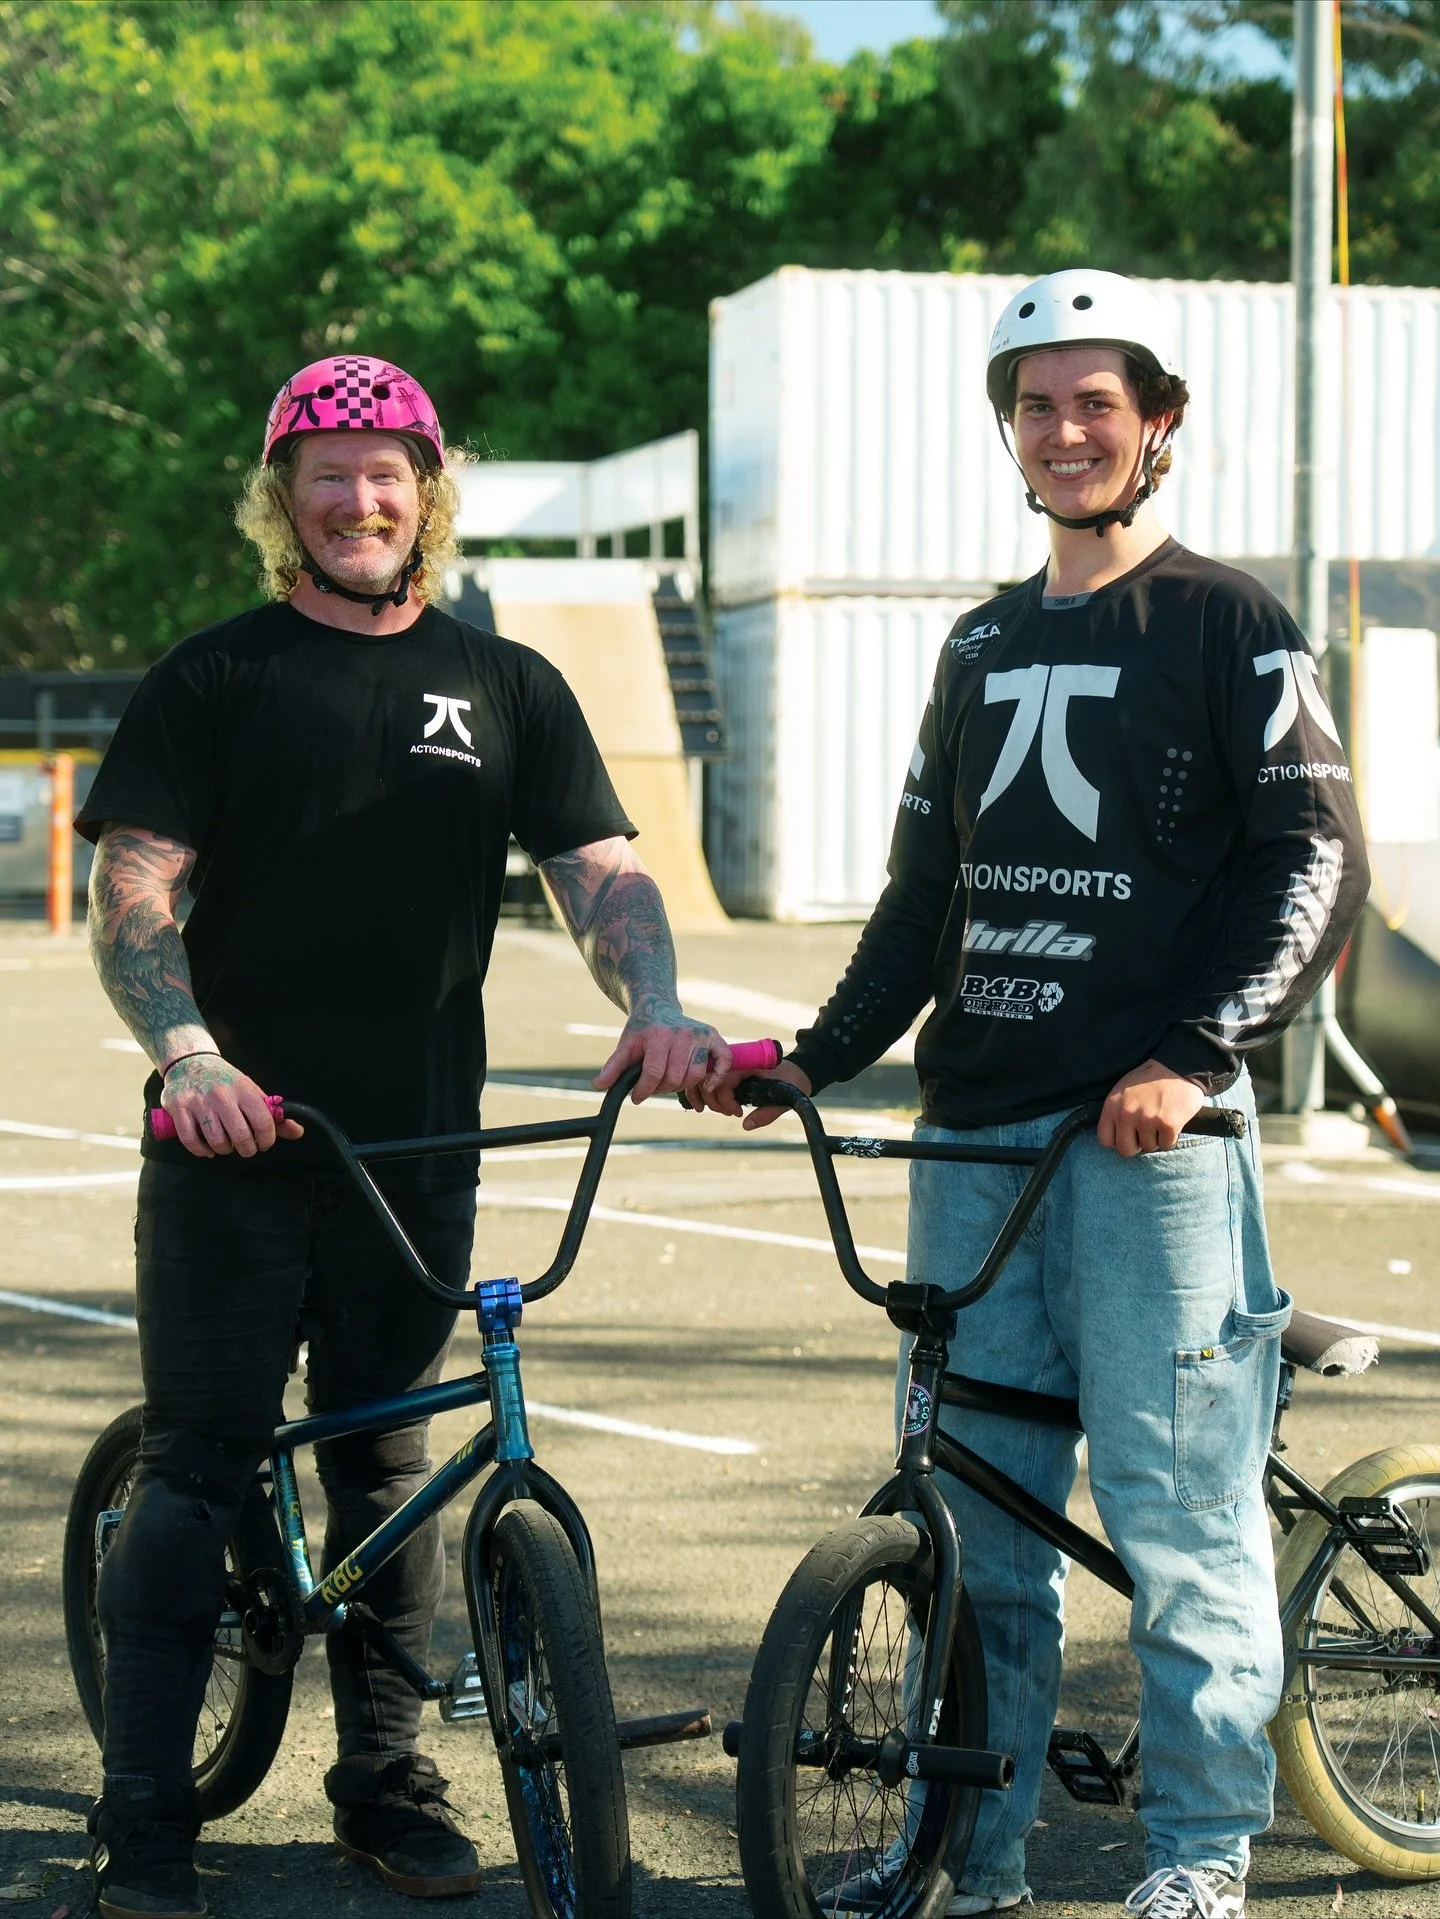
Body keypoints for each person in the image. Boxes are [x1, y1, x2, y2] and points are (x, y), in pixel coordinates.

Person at [699, 271, 1368, 1919]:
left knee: (1178, 1516)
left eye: (1094, 402)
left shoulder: (1230, 623)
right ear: (1006, 429)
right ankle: (970, 1853)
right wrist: (812, 1058)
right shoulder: (981, 640)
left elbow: (1316, 859)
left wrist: (1193, 1055)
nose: (1064, 432)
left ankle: (1201, 1851)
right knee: (976, 1528)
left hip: (1150, 1148)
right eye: (1035, 404)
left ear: (1157, 424)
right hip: (974, 1140)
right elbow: (927, 890)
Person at [75, 354, 729, 1919]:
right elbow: (135, 889)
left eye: (387, 472)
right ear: (281, 500)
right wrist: (185, 1053)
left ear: (427, 494)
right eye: (327, 473)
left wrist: (658, 1002)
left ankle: (386, 1781)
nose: (358, 498)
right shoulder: (216, 677)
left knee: (388, 1466)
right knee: (194, 1470)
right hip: (235, 1148)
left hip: (417, 1152)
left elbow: (602, 872)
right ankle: (146, 1815)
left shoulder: (506, 686)